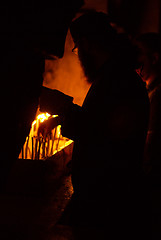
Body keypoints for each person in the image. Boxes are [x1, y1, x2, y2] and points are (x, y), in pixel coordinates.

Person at [39, 12, 149, 238]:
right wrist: (62, 116)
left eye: (77, 50)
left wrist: (63, 107)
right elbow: (100, 121)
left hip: (109, 198)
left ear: (87, 44)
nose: (79, 57)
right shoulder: (115, 76)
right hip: (105, 195)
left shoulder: (118, 80)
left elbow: (104, 135)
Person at [135, 32, 161, 238]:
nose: (136, 62)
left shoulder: (158, 95)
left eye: (139, 55)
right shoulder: (149, 91)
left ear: (154, 58)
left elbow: (149, 147)